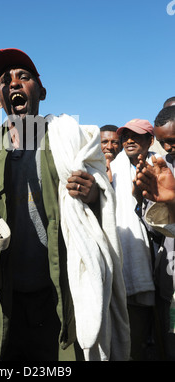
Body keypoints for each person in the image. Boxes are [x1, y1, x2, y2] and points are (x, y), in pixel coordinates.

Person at [0, 48, 130, 362]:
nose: (13, 84)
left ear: (42, 90)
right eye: (4, 82)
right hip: (0, 301)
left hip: (59, 298)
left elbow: (100, 204)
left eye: (23, 77)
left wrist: (92, 194)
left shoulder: (67, 141)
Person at [110, 118, 158, 360]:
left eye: (136, 136)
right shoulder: (113, 169)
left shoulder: (159, 168)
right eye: (125, 136)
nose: (129, 140)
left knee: (139, 338)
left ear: (150, 140)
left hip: (153, 258)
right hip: (119, 255)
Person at [136, 105, 175, 360]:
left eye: (172, 141)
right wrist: (162, 203)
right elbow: (156, 227)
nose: (168, 148)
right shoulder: (162, 167)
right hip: (170, 278)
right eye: (163, 143)